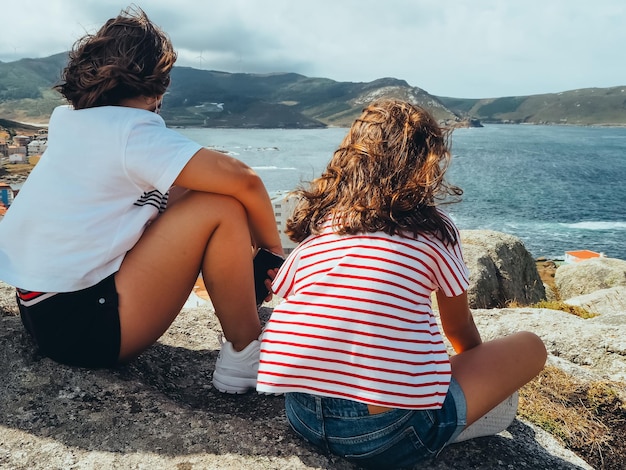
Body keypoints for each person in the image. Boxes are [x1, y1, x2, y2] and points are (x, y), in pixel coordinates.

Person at [0, 6, 283, 394]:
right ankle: (245, 356)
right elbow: (245, 180)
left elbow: (176, 189)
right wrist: (271, 251)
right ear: (157, 84)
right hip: (88, 327)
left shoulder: (72, 122)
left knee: (198, 191)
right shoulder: (131, 133)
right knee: (222, 206)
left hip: (45, 314)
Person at [256, 99, 547, 468]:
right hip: (384, 435)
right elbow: (457, 328)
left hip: (303, 416)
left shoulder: (325, 225)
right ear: (425, 162)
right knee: (530, 347)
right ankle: (459, 424)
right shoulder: (433, 229)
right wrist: (477, 368)